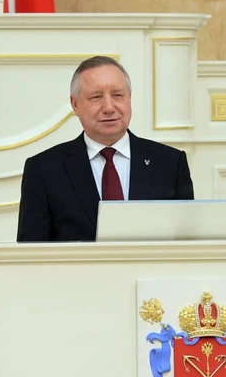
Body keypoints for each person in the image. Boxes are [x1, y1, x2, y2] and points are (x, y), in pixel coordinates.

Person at [16, 55, 194, 242]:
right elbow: (31, 251)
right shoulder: (44, 169)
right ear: (75, 104)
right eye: (96, 97)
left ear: (129, 98)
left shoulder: (170, 163)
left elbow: (187, 244)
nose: (109, 107)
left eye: (118, 95)